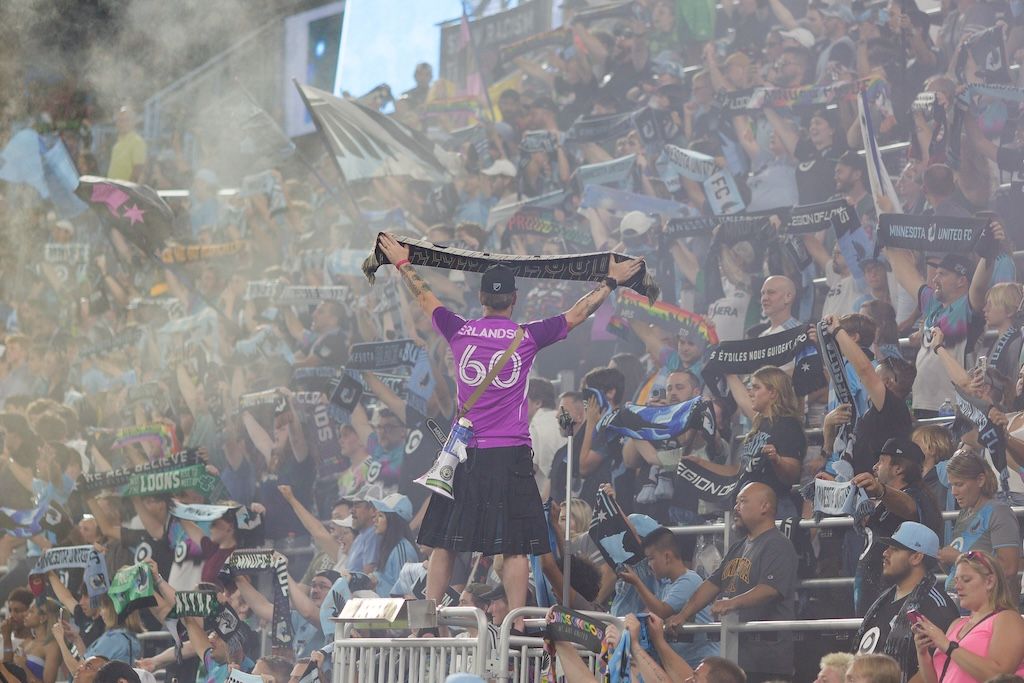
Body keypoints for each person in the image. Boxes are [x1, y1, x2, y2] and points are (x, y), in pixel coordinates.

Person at [374, 232, 642, 629]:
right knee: (515, 546)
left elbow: (425, 297)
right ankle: (516, 622)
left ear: (481, 298)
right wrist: (610, 281)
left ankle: (426, 620)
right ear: (513, 299)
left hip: (464, 452)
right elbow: (577, 313)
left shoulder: (459, 329)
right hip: (510, 454)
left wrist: (402, 263)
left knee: (446, 541)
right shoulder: (527, 336)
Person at [666, 482, 798, 683]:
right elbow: (712, 583)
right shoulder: (738, 547)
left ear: (764, 507)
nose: (736, 508)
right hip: (736, 653)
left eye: (742, 501)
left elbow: (770, 589)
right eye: (736, 502)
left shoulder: (778, 544)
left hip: (767, 660)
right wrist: (683, 615)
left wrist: (731, 602)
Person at [854, 522, 960, 682]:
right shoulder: (884, 598)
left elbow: (935, 668)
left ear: (916, 557)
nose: (885, 553)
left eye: (895, 549)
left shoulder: (936, 607)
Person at [851, 436, 943, 616]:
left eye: (881, 461)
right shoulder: (884, 500)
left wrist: (881, 490)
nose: (875, 467)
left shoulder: (919, 496)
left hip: (897, 599)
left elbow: (909, 507)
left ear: (898, 468)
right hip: (875, 593)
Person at [914, 550, 1024, 682]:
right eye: (956, 580)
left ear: (989, 581)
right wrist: (923, 654)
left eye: (966, 580)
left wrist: (947, 645)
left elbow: (1000, 676)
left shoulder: (1007, 618)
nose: (957, 586)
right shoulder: (957, 624)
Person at [616, 527, 718, 667]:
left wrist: (636, 582)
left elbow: (661, 611)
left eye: (651, 559)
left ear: (667, 557)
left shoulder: (689, 580)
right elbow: (650, 613)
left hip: (704, 664)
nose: (649, 565)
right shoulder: (666, 584)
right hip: (684, 664)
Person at [725, 367, 806, 518]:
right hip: (748, 506)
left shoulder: (788, 425)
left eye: (756, 387)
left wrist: (778, 460)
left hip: (773, 507)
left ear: (773, 393)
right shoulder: (759, 423)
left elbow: (793, 475)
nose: (750, 393)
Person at [938, 452, 1021, 593]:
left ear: (980, 480)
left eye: (959, 484)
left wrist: (958, 557)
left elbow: (1009, 568)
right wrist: (943, 560)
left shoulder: (999, 512)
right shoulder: (964, 513)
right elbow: (959, 569)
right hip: (959, 599)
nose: (953, 492)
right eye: (951, 485)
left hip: (986, 602)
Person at [368, 494, 419, 597]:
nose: (375, 520)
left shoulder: (402, 549)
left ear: (394, 520)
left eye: (380, 516)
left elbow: (404, 592)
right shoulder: (390, 547)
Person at [106, 105, 146, 183]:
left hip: (124, 189)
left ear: (133, 122)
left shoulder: (137, 142)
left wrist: (128, 189)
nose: (123, 123)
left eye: (127, 120)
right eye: (120, 120)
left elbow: (138, 169)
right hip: (113, 188)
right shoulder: (117, 143)